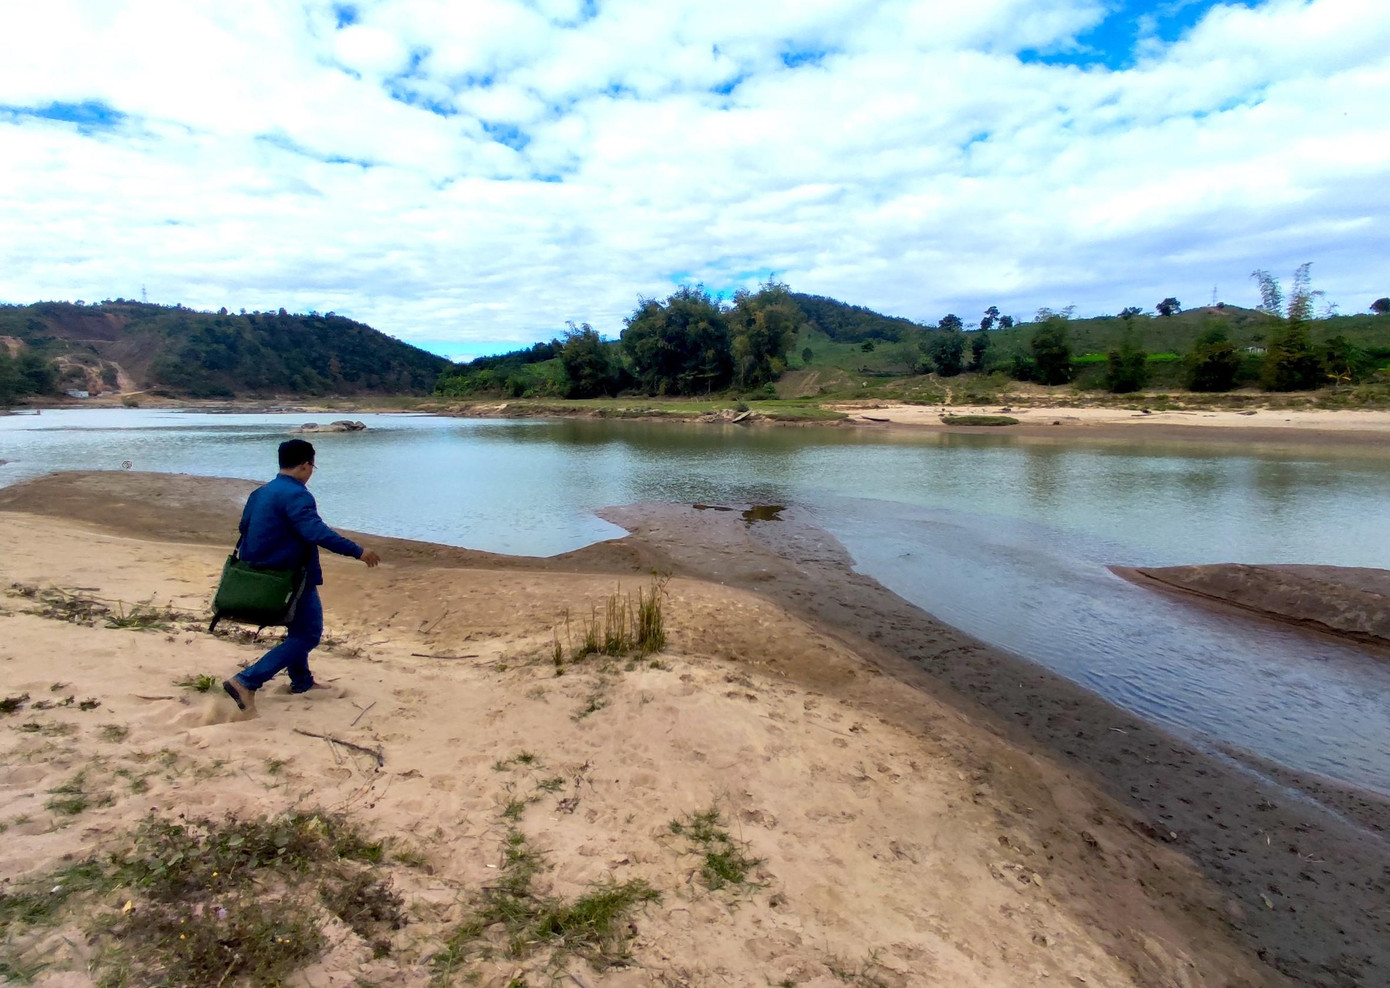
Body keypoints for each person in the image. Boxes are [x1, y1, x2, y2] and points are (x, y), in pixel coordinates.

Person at [222, 439, 380, 711]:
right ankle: (247, 681)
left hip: (262, 574)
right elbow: (316, 532)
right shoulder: (297, 495)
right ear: (306, 465)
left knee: (297, 629)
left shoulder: (260, 492)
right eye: (312, 467)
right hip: (290, 576)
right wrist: (358, 551)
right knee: (308, 634)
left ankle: (302, 681)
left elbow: (245, 527)